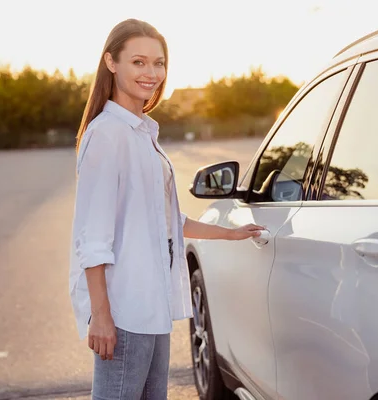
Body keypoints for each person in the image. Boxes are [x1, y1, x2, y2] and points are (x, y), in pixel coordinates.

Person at [69, 19, 264, 400]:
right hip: (124, 310)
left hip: (153, 306)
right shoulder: (107, 134)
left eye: (158, 63)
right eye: (138, 62)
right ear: (111, 62)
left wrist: (230, 232)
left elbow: (163, 222)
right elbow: (93, 237)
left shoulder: (142, 132)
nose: (151, 73)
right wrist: (102, 316)